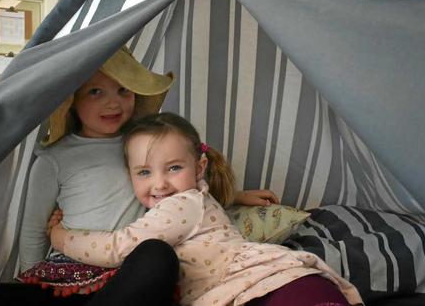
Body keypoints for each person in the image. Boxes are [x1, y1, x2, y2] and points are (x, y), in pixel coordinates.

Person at [0, 47, 277, 306]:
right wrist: (36, 279)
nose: (112, 102)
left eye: (123, 90)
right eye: (95, 92)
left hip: (126, 275)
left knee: (158, 255)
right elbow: (34, 229)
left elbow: (180, 189)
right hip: (66, 276)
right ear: (73, 102)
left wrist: (233, 197)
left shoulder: (145, 143)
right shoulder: (54, 158)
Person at [49, 112, 364, 306]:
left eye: (172, 168)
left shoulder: (179, 206)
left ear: (199, 168)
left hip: (265, 281)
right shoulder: (194, 199)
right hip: (247, 288)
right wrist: (237, 197)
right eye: (144, 173)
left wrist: (60, 236)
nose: (159, 184)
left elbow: (117, 247)